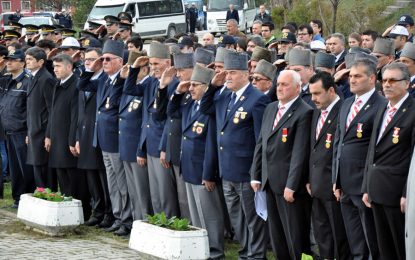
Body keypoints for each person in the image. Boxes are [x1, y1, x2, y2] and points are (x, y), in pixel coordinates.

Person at [200, 51, 269, 259]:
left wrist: (256, 173)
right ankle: (245, 251)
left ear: (245, 74)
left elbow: (260, 141)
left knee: (252, 218)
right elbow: (205, 109)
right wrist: (213, 86)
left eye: (231, 73)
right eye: (225, 72)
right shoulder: (224, 95)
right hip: (227, 169)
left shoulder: (256, 99)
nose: (227, 76)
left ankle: (256, 255)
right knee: (237, 217)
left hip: (246, 171)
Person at [251, 70, 313, 259]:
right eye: (278, 84)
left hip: (289, 187)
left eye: (285, 84)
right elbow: (261, 142)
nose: (280, 88)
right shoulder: (271, 108)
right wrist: (256, 174)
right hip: (270, 182)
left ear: (297, 87)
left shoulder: (304, 112)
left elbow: (299, 153)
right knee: (277, 236)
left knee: (296, 237)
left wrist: (291, 185)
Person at [167, 64, 225, 259]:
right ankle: (202, 247)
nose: (190, 88)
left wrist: (208, 174)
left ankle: (215, 250)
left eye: (195, 85)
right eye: (190, 85)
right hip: (189, 167)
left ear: (206, 87)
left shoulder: (211, 109)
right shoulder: (191, 104)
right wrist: (177, 92)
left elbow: (211, 145)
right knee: (196, 213)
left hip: (202, 170)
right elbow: (172, 112)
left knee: (209, 214)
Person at [78, 40, 132, 235]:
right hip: (102, 139)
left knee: (121, 183)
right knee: (113, 183)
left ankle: (126, 219)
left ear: (120, 61)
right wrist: (93, 67)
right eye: (104, 59)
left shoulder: (122, 80)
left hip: (116, 140)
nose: (105, 62)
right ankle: (118, 217)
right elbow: (82, 84)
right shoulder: (103, 80)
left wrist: (118, 77)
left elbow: (116, 101)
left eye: (108, 59)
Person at [362, 63, 414, 260]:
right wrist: (367, 185)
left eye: (393, 80)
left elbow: (412, 158)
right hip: (376, 189)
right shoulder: (382, 108)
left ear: (407, 84)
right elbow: (372, 150)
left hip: (397, 193)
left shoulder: (412, 111)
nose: (387, 84)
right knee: (383, 248)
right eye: (384, 80)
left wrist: (406, 193)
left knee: (400, 248)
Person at [332, 59, 384, 259]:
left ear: (371, 78)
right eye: (350, 76)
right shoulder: (346, 103)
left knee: (371, 240)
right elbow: (339, 143)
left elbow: (377, 150)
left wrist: (368, 186)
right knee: (355, 241)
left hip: (364, 186)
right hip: (344, 184)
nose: (351, 80)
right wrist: (336, 180)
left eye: (357, 76)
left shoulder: (381, 105)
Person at [123, 42, 180, 218]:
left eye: (156, 64)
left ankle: (169, 224)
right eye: (151, 64)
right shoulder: (151, 83)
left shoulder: (173, 84)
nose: (153, 67)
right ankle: (159, 224)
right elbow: (129, 88)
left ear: (167, 64)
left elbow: (167, 119)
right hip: (149, 143)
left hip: (162, 144)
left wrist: (164, 148)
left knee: (165, 193)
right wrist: (134, 67)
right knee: (155, 193)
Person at [308, 72, 350, 260]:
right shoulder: (317, 111)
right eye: (311, 93)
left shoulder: (343, 110)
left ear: (331, 90)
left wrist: (337, 181)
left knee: (338, 237)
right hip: (316, 186)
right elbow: (313, 148)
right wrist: (309, 177)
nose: (313, 98)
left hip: (333, 188)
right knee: (322, 235)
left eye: (317, 93)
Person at [46, 54, 91, 219]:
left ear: (69, 67)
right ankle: (66, 212)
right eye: (54, 67)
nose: (55, 70)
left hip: (68, 140)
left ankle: (80, 213)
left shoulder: (76, 85)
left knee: (74, 179)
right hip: (56, 138)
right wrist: (48, 135)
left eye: (58, 66)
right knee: (62, 176)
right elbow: (53, 112)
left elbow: (75, 116)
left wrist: (72, 140)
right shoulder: (58, 84)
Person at [75, 48, 113, 227]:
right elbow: (79, 110)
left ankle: (108, 212)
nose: (88, 62)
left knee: (103, 177)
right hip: (85, 134)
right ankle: (97, 211)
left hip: (99, 135)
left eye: (92, 59)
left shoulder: (105, 79)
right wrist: (76, 137)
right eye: (85, 59)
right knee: (91, 176)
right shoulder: (87, 78)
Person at [118, 52, 154, 226]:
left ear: (145, 69)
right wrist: (132, 70)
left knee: (142, 191)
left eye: (137, 69)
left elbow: (144, 123)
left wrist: (141, 148)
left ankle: (144, 221)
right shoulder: (138, 84)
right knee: (133, 190)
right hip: (127, 146)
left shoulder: (148, 84)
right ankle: (136, 220)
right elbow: (127, 89)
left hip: (137, 147)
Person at [0, 49, 34, 208]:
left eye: (13, 60)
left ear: (22, 63)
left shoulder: (28, 81)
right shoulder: (6, 80)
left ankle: (28, 196)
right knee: (14, 168)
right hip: (8, 130)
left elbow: (30, 109)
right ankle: (18, 197)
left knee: (24, 167)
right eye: (7, 59)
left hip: (21, 131)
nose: (9, 62)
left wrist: (29, 131)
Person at [25, 47, 57, 191]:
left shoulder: (46, 79)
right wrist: (28, 132)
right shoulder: (33, 77)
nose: (27, 62)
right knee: (36, 167)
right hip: (34, 130)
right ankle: (41, 195)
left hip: (43, 131)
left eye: (30, 59)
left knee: (44, 169)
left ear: (41, 62)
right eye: (26, 59)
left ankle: (47, 197)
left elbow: (51, 110)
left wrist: (48, 135)